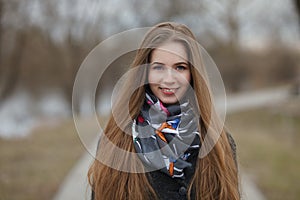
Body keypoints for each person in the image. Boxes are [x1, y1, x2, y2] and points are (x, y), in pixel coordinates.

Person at [88, 22, 240, 200]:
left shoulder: (220, 143)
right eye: (158, 67)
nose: (169, 79)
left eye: (180, 67)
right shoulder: (114, 141)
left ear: (193, 73)